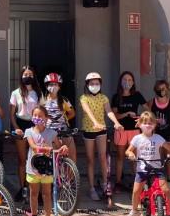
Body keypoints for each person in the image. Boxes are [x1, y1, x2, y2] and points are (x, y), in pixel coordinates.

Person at [125, 111, 170, 216]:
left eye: (150, 123)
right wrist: (130, 154)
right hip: (142, 168)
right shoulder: (137, 138)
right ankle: (134, 211)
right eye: (145, 123)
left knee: (166, 190)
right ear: (140, 124)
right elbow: (128, 150)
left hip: (157, 168)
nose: (148, 125)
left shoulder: (158, 138)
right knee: (136, 191)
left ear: (155, 125)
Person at [22, 105, 67, 216]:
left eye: (40, 116)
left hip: (47, 169)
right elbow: (33, 146)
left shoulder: (52, 133)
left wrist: (63, 148)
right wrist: (48, 149)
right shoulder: (29, 132)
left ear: (46, 118)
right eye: (35, 115)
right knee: (34, 193)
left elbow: (58, 147)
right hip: (33, 168)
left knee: (47, 194)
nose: (37, 118)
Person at [80, 72, 123, 201]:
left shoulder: (103, 97)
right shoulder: (84, 97)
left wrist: (116, 122)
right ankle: (91, 188)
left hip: (101, 130)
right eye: (92, 83)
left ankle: (105, 184)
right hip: (89, 129)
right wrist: (95, 122)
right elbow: (87, 111)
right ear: (87, 85)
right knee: (90, 159)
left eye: (97, 83)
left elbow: (109, 111)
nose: (95, 85)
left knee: (103, 157)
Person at [111, 71, 146, 191]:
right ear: (120, 82)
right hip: (121, 130)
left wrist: (141, 118)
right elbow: (114, 115)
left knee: (134, 157)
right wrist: (126, 114)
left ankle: (137, 182)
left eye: (130, 80)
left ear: (133, 82)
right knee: (120, 156)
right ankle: (118, 182)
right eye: (125, 80)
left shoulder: (137, 95)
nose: (127, 82)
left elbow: (147, 109)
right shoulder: (116, 97)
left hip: (134, 131)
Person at [10, 66, 41, 202]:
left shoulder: (38, 93)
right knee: (22, 159)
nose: (28, 76)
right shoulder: (16, 93)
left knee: (36, 158)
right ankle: (23, 188)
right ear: (21, 76)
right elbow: (12, 114)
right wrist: (16, 128)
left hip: (34, 125)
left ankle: (36, 190)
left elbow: (41, 111)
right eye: (25, 74)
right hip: (21, 125)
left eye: (30, 74)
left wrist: (39, 128)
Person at [42, 73, 77, 163]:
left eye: (56, 84)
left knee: (72, 156)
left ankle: (70, 172)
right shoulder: (42, 100)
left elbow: (72, 113)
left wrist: (63, 119)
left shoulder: (64, 100)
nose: (53, 86)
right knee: (53, 158)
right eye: (51, 84)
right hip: (49, 131)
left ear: (59, 86)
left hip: (64, 130)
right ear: (46, 86)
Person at [150, 80, 170, 180]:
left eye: (164, 88)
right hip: (156, 135)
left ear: (167, 89)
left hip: (168, 135)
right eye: (159, 89)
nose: (162, 90)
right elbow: (147, 118)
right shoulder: (151, 102)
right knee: (157, 158)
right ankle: (158, 181)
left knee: (169, 157)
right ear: (155, 90)